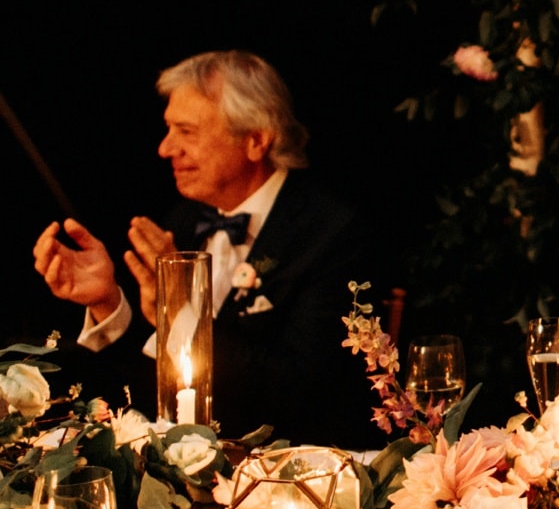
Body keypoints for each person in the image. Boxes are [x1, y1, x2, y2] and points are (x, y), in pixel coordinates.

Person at [30, 50, 374, 444]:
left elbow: (301, 392)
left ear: (256, 140)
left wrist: (182, 318)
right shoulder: (185, 221)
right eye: (168, 129)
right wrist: (108, 302)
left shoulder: (332, 233)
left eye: (186, 131)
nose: (165, 148)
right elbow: (152, 396)